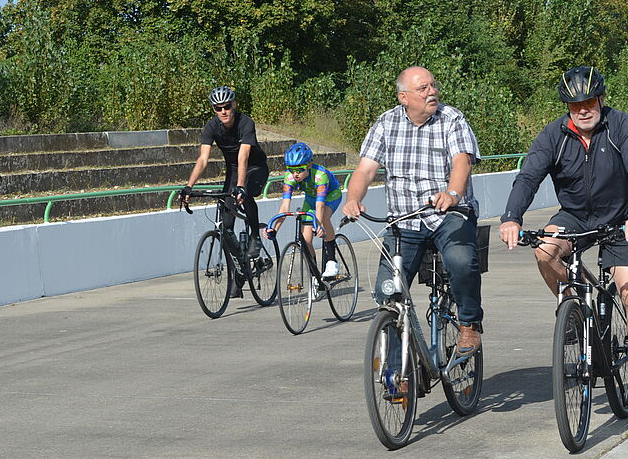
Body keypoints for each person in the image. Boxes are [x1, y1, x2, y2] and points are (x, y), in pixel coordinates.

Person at [498, 66, 628, 407]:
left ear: (600, 99)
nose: (583, 110)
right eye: (574, 105)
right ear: (566, 108)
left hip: (620, 219)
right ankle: (575, 301)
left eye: (588, 102)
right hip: (573, 217)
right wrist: (512, 218)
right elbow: (528, 177)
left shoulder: (620, 125)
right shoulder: (554, 135)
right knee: (544, 250)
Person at [342, 66, 484, 355]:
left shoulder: (452, 119)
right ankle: (397, 378)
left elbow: (462, 162)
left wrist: (453, 194)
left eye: (433, 85)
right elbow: (366, 170)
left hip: (448, 215)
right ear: (403, 97)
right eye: (423, 88)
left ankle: (469, 324)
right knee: (387, 291)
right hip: (404, 221)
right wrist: (354, 199)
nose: (432, 92)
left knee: (460, 261)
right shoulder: (386, 123)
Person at [178, 87, 269, 295]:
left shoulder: (246, 123)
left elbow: (243, 157)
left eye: (227, 106)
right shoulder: (211, 127)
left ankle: (255, 237)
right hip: (233, 170)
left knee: (244, 191)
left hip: (255, 167)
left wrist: (239, 187)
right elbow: (203, 159)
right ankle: (238, 274)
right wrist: (189, 186)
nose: (223, 111)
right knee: (226, 227)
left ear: (234, 105)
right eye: (218, 108)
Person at [264, 142, 343, 280]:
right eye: (291, 169)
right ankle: (315, 276)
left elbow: (319, 206)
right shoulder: (289, 176)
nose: (295, 174)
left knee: (323, 217)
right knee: (306, 240)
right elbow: (284, 207)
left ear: (309, 165)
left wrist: (317, 225)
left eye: (300, 169)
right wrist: (274, 229)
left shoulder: (320, 175)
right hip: (311, 198)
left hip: (330, 195)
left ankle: (332, 261)